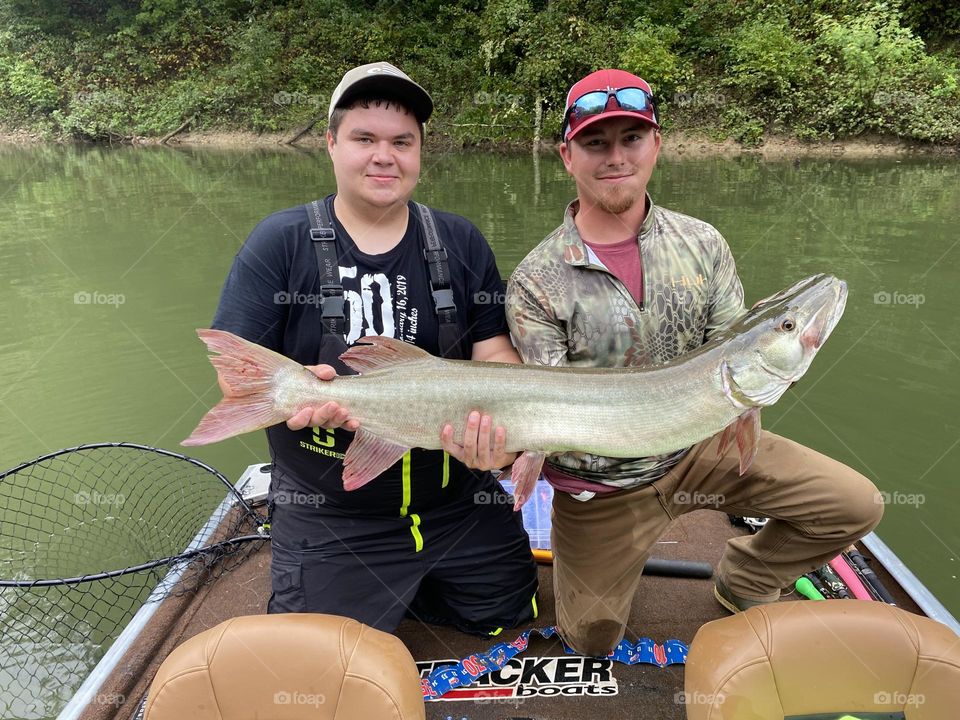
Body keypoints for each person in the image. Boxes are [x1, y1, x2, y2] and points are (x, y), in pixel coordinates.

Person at [505, 68, 883, 656]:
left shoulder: (702, 243)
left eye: (632, 138)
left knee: (855, 505)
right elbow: (546, 409)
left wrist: (769, 360)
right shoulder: (536, 280)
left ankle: (748, 576)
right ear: (567, 155)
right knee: (590, 641)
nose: (615, 157)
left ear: (656, 144)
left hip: (702, 446)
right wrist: (518, 448)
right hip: (603, 486)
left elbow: (733, 350)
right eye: (596, 143)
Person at [211, 61, 537, 635]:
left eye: (401, 142)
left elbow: (496, 359)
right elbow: (240, 381)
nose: (384, 156)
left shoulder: (460, 240)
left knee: (503, 618)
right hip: (335, 513)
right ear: (331, 144)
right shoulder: (279, 242)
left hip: (457, 502)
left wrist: (503, 441)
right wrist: (295, 395)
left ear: (419, 153)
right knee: (319, 655)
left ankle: (410, 587)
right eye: (364, 138)